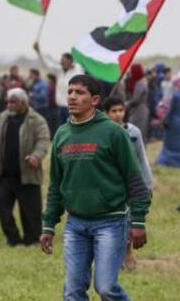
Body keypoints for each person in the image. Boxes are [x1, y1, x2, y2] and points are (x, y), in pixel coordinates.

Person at [40, 75, 151, 301]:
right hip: (75, 224)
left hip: (110, 222)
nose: (72, 96)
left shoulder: (113, 132)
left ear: (95, 99)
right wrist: (49, 224)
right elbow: (55, 186)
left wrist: (138, 220)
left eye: (79, 92)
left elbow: (134, 179)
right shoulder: (62, 134)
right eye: (70, 91)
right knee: (72, 292)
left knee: (106, 288)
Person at [0, 88, 51, 247]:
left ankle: (32, 239)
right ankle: (13, 239)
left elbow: (43, 141)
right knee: (1, 205)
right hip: (5, 175)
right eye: (8, 101)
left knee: (31, 211)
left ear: (23, 103)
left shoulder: (37, 120)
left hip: (27, 174)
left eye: (13, 102)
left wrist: (36, 156)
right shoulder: (3, 118)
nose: (9, 105)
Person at [102, 96, 153, 272]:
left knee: (129, 219)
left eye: (120, 110)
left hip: (131, 184)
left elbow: (141, 158)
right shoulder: (101, 133)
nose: (118, 114)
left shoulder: (133, 132)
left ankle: (128, 253)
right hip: (109, 185)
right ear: (105, 113)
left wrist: (147, 184)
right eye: (113, 111)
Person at [35, 44, 84, 128]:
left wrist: (75, 66)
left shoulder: (77, 71)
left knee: (72, 129)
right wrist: (38, 51)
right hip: (60, 108)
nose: (61, 62)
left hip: (72, 108)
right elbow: (46, 64)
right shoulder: (59, 71)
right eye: (61, 60)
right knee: (61, 129)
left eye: (63, 60)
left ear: (70, 61)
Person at [156, 78, 180, 169]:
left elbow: (170, 111)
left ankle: (168, 162)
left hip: (175, 123)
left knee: (171, 145)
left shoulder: (175, 95)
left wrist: (165, 121)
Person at [124, 64, 150, 138]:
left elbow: (136, 99)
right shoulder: (137, 82)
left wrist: (126, 104)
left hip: (139, 111)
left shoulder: (140, 83)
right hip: (137, 110)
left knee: (137, 133)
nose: (130, 73)